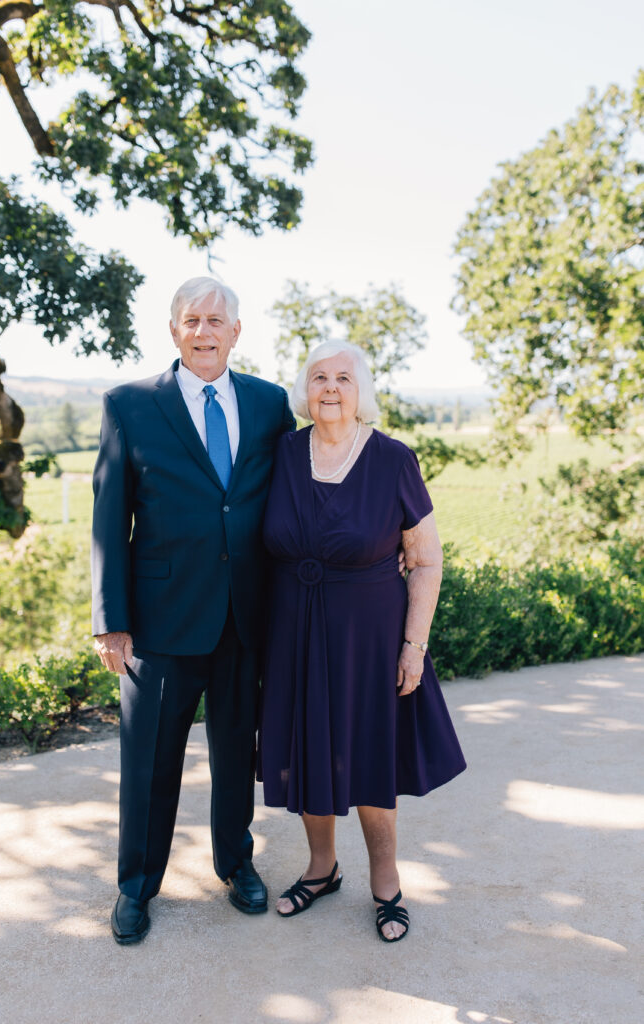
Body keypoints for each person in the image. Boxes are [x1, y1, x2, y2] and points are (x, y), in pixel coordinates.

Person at [91, 276, 295, 944]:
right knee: (150, 762)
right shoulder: (129, 405)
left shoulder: (269, 405)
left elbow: (293, 499)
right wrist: (110, 620)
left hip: (245, 616)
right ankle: (137, 886)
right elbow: (107, 519)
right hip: (158, 620)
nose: (203, 331)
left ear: (237, 330)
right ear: (173, 330)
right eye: (191, 320)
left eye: (215, 320)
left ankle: (235, 864)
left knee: (237, 751)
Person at [257, 340, 466, 942]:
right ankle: (322, 870)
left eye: (342, 378)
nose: (329, 388)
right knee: (308, 753)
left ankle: (386, 881)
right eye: (318, 377)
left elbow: (425, 561)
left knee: (372, 758)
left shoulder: (393, 459)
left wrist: (413, 645)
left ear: (360, 391)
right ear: (305, 390)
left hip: (370, 639)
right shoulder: (282, 454)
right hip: (293, 632)